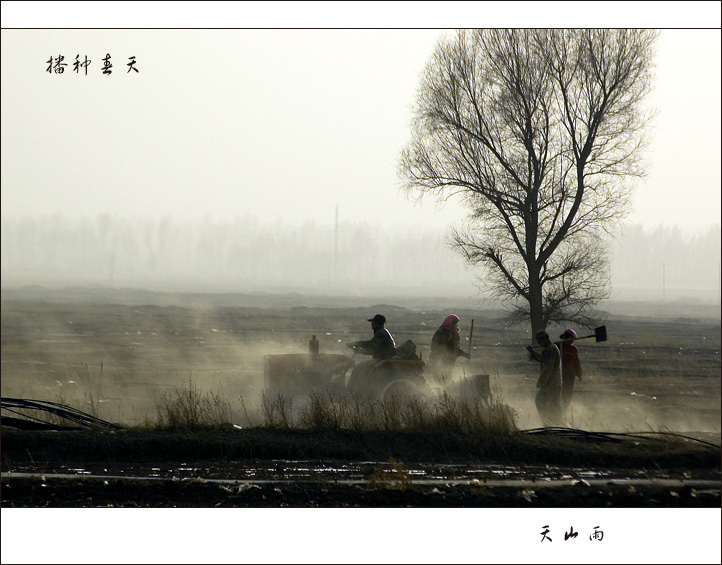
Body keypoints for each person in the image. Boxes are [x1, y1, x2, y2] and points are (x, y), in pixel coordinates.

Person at [346, 314, 396, 393]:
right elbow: (375, 349)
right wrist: (360, 351)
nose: (371, 324)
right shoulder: (381, 332)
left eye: (373, 322)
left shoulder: (381, 333)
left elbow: (372, 344)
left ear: (377, 323)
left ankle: (351, 390)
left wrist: (357, 343)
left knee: (359, 367)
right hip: (381, 356)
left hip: (381, 359)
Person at [526, 330, 563, 427]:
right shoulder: (550, 348)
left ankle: (552, 424)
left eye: (539, 340)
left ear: (545, 338)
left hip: (551, 383)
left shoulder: (550, 350)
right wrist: (533, 353)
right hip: (553, 382)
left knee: (550, 403)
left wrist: (542, 382)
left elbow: (548, 368)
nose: (539, 343)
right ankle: (551, 423)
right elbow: (544, 361)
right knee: (547, 402)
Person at [429, 314, 471, 384]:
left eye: (456, 324)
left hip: (449, 362)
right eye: (455, 324)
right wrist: (441, 356)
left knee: (447, 379)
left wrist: (464, 354)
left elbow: (455, 349)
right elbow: (434, 347)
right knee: (440, 379)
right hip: (439, 361)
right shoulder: (440, 333)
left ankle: (446, 393)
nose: (456, 326)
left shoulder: (455, 335)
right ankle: (440, 393)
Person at [557, 329, 583, 413]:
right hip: (560, 374)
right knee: (559, 393)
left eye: (573, 339)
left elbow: (577, 362)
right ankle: (557, 411)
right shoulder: (558, 346)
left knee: (568, 394)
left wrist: (579, 374)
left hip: (570, 375)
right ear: (565, 337)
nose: (572, 341)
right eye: (570, 338)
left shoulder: (574, 349)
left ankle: (564, 411)